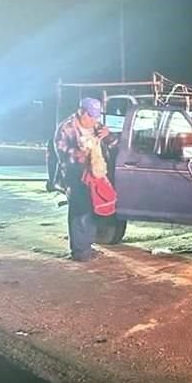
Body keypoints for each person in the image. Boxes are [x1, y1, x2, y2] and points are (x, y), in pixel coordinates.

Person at [51, 97, 111, 261]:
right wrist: (86, 152)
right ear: (82, 112)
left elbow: (110, 143)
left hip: (92, 176)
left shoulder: (95, 125)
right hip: (74, 177)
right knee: (79, 212)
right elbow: (63, 154)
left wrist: (107, 135)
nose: (94, 120)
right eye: (91, 116)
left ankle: (87, 247)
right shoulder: (66, 128)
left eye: (96, 117)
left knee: (90, 211)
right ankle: (80, 252)